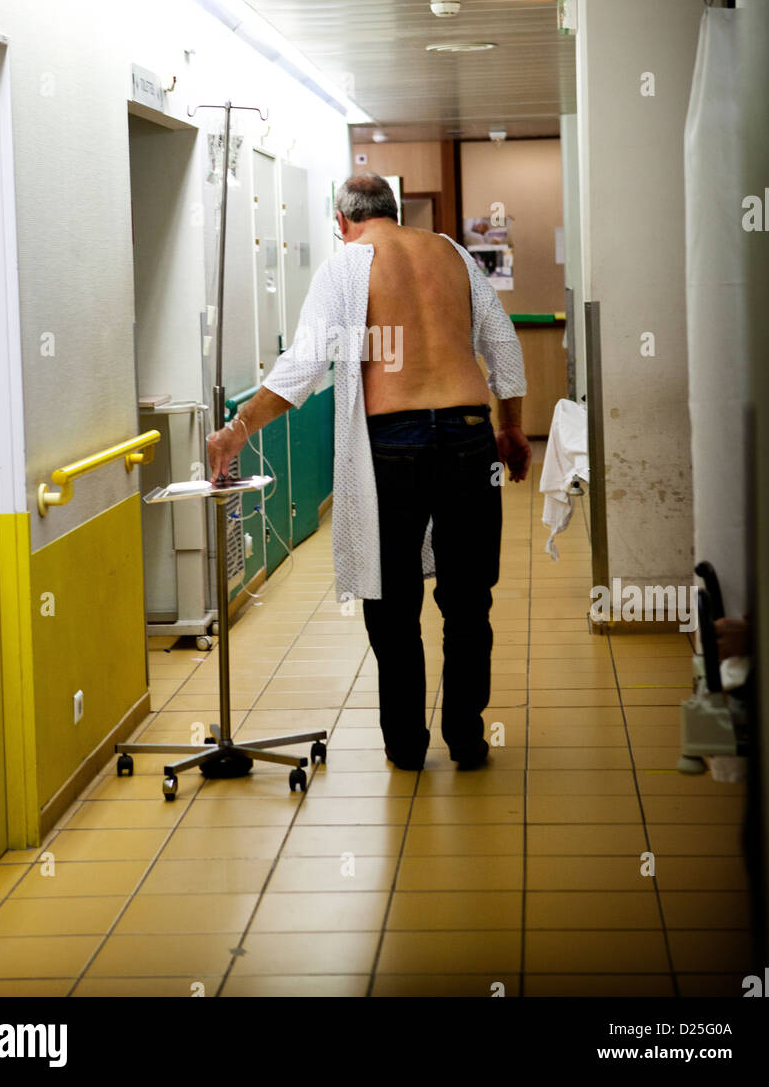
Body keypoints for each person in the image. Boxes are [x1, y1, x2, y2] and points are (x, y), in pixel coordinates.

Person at [207, 173, 530, 771]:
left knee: (393, 599)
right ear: (395, 209)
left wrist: (237, 429)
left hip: (394, 445)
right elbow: (503, 347)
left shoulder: (346, 266)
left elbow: (304, 363)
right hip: (468, 433)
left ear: (341, 220)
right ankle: (466, 737)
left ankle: (407, 746)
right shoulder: (451, 252)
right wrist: (510, 428)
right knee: (467, 599)